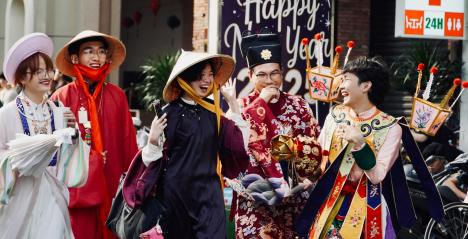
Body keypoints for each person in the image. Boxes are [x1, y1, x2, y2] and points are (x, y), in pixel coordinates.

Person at [296, 57, 444, 239]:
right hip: (329, 202)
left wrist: (360, 144)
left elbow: (377, 175)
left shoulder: (390, 127)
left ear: (366, 86)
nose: (340, 85)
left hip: (367, 206)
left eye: (346, 80)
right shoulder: (335, 115)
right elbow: (320, 157)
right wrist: (302, 167)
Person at [142, 50, 249, 238]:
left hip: (209, 195)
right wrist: (152, 141)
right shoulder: (167, 114)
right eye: (200, 76)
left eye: (210, 75)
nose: (207, 81)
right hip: (176, 196)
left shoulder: (214, 114)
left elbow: (238, 147)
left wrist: (233, 104)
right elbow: (150, 162)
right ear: (185, 79)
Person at [230, 33, 321, 238]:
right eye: (261, 75)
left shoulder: (298, 104)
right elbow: (232, 152)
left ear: (282, 74)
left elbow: (313, 143)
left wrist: (305, 177)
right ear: (250, 75)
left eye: (275, 73)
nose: (269, 80)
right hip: (255, 199)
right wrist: (259, 103)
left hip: (295, 196)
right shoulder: (242, 107)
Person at [50, 30, 138, 239]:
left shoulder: (117, 96)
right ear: (75, 58)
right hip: (76, 193)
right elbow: (52, 151)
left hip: (112, 188)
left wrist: (134, 188)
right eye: (88, 52)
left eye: (100, 52)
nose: (96, 57)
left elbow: (129, 146)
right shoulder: (61, 97)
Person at [0, 33, 89, 238]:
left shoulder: (59, 111)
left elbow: (67, 164)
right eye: (38, 71)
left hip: (52, 197)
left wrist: (73, 135)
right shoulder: (6, 114)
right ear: (22, 77)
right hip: (18, 198)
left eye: (48, 70)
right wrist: (16, 161)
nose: (46, 75)